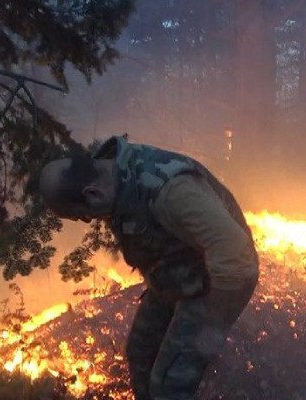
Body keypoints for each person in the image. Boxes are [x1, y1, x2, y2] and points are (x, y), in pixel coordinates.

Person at [39, 135, 259, 400]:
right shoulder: (111, 175)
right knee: (141, 353)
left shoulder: (170, 191)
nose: (89, 220)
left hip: (216, 279)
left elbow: (235, 255)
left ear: (93, 194)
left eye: (83, 215)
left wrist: (210, 324)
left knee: (169, 386)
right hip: (178, 271)